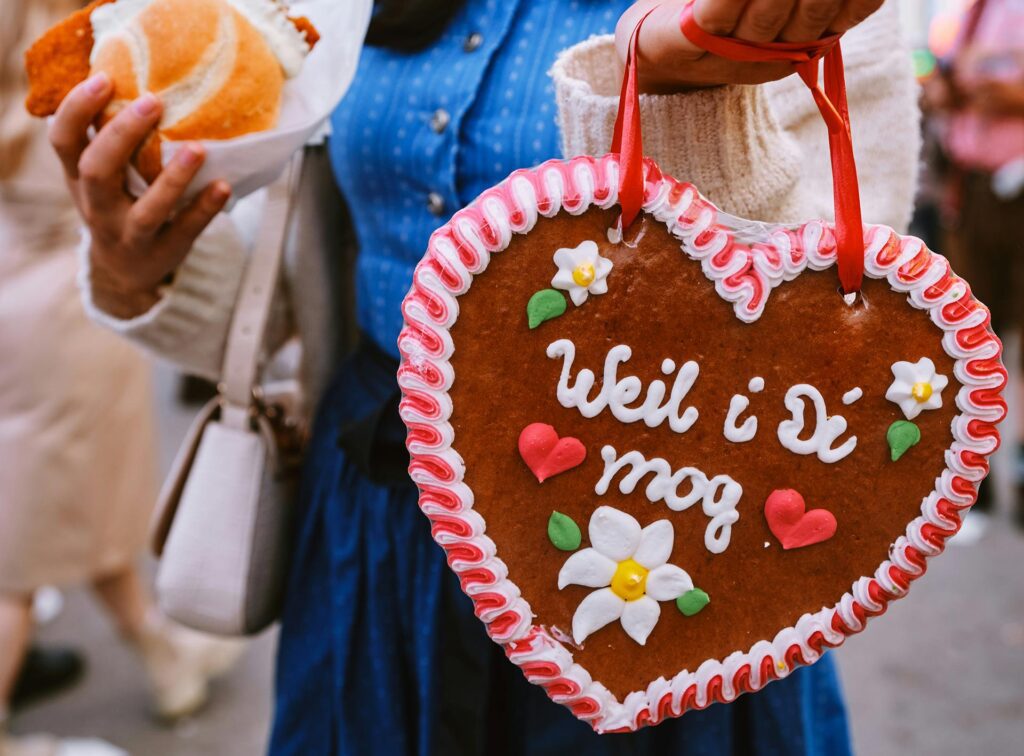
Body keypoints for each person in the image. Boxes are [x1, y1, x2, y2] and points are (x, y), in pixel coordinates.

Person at [51, 0, 920, 753]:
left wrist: (687, 108)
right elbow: (292, 293)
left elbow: (825, 345)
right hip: (381, 524)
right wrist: (143, 266)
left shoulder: (805, 16)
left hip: (657, 559)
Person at [0, 3, 243, 753]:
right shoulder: (89, 29)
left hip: (16, 282)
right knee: (18, 548)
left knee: (82, 498)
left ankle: (163, 658)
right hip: (70, 296)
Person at [928, 0, 1024, 525]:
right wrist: (947, 91)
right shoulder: (972, 12)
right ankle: (974, 488)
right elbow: (944, 83)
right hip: (974, 192)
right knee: (970, 344)